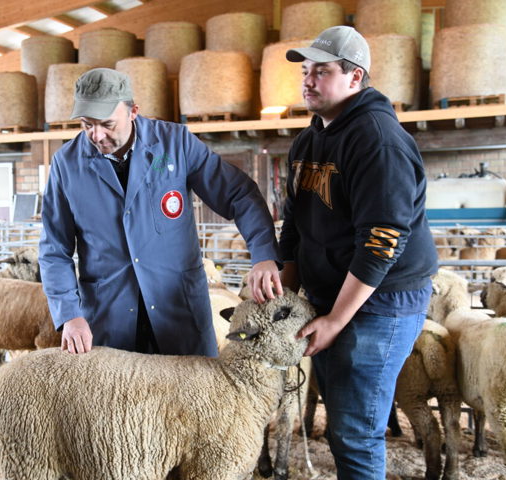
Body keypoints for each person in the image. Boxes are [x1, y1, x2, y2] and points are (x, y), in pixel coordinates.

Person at [280, 26, 438, 479]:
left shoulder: (377, 139)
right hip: (334, 294)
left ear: (355, 77)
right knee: (343, 421)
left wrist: (334, 320)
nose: (307, 81)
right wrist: (284, 297)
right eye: (305, 71)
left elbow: (382, 239)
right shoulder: (309, 140)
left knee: (355, 429)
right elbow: (294, 222)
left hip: (381, 300)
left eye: (321, 72)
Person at [39, 68, 282, 357]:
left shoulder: (175, 143)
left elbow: (238, 194)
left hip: (178, 309)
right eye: (86, 124)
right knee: (117, 399)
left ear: (133, 112)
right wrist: (69, 315)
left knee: (191, 398)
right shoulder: (66, 165)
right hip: (110, 315)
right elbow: (55, 249)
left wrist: (264, 254)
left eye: (106, 124)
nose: (97, 135)